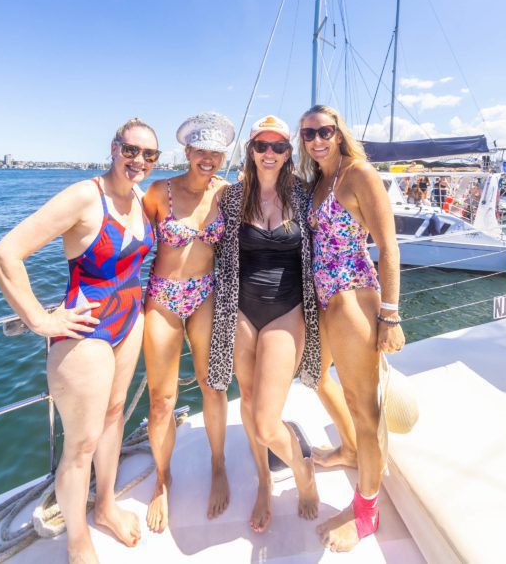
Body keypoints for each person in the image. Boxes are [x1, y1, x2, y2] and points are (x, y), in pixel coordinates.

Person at [0, 118, 159, 564]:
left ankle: (104, 507)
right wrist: (41, 320)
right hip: (86, 329)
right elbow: (4, 254)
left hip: (130, 319)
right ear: (114, 147)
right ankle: (77, 540)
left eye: (149, 154)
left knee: (116, 414)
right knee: (80, 444)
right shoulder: (86, 195)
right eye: (131, 150)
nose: (138, 160)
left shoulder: (141, 198)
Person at [298, 104, 404, 552]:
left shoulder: (358, 173)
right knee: (317, 378)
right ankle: (347, 449)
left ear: (339, 133)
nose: (317, 139)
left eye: (325, 131)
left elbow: (388, 245)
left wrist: (390, 315)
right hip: (323, 302)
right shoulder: (320, 182)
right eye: (308, 134)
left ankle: (366, 514)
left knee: (366, 410)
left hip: (354, 300)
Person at [207, 115, 321, 533]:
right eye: (262, 146)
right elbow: (203, 236)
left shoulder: (305, 196)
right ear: (250, 150)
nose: (269, 154)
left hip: (286, 309)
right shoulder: (231, 198)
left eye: (278, 147)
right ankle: (264, 480)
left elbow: (339, 235)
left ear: (290, 153)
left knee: (266, 421)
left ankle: (303, 472)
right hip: (241, 311)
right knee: (250, 402)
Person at [141, 112, 234, 533]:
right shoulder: (160, 191)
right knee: (161, 400)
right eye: (202, 151)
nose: (209, 158)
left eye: (216, 152)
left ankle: (218, 465)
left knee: (212, 386)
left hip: (206, 294)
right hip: (162, 297)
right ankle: (162, 479)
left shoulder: (228, 194)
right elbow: (129, 239)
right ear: (188, 151)